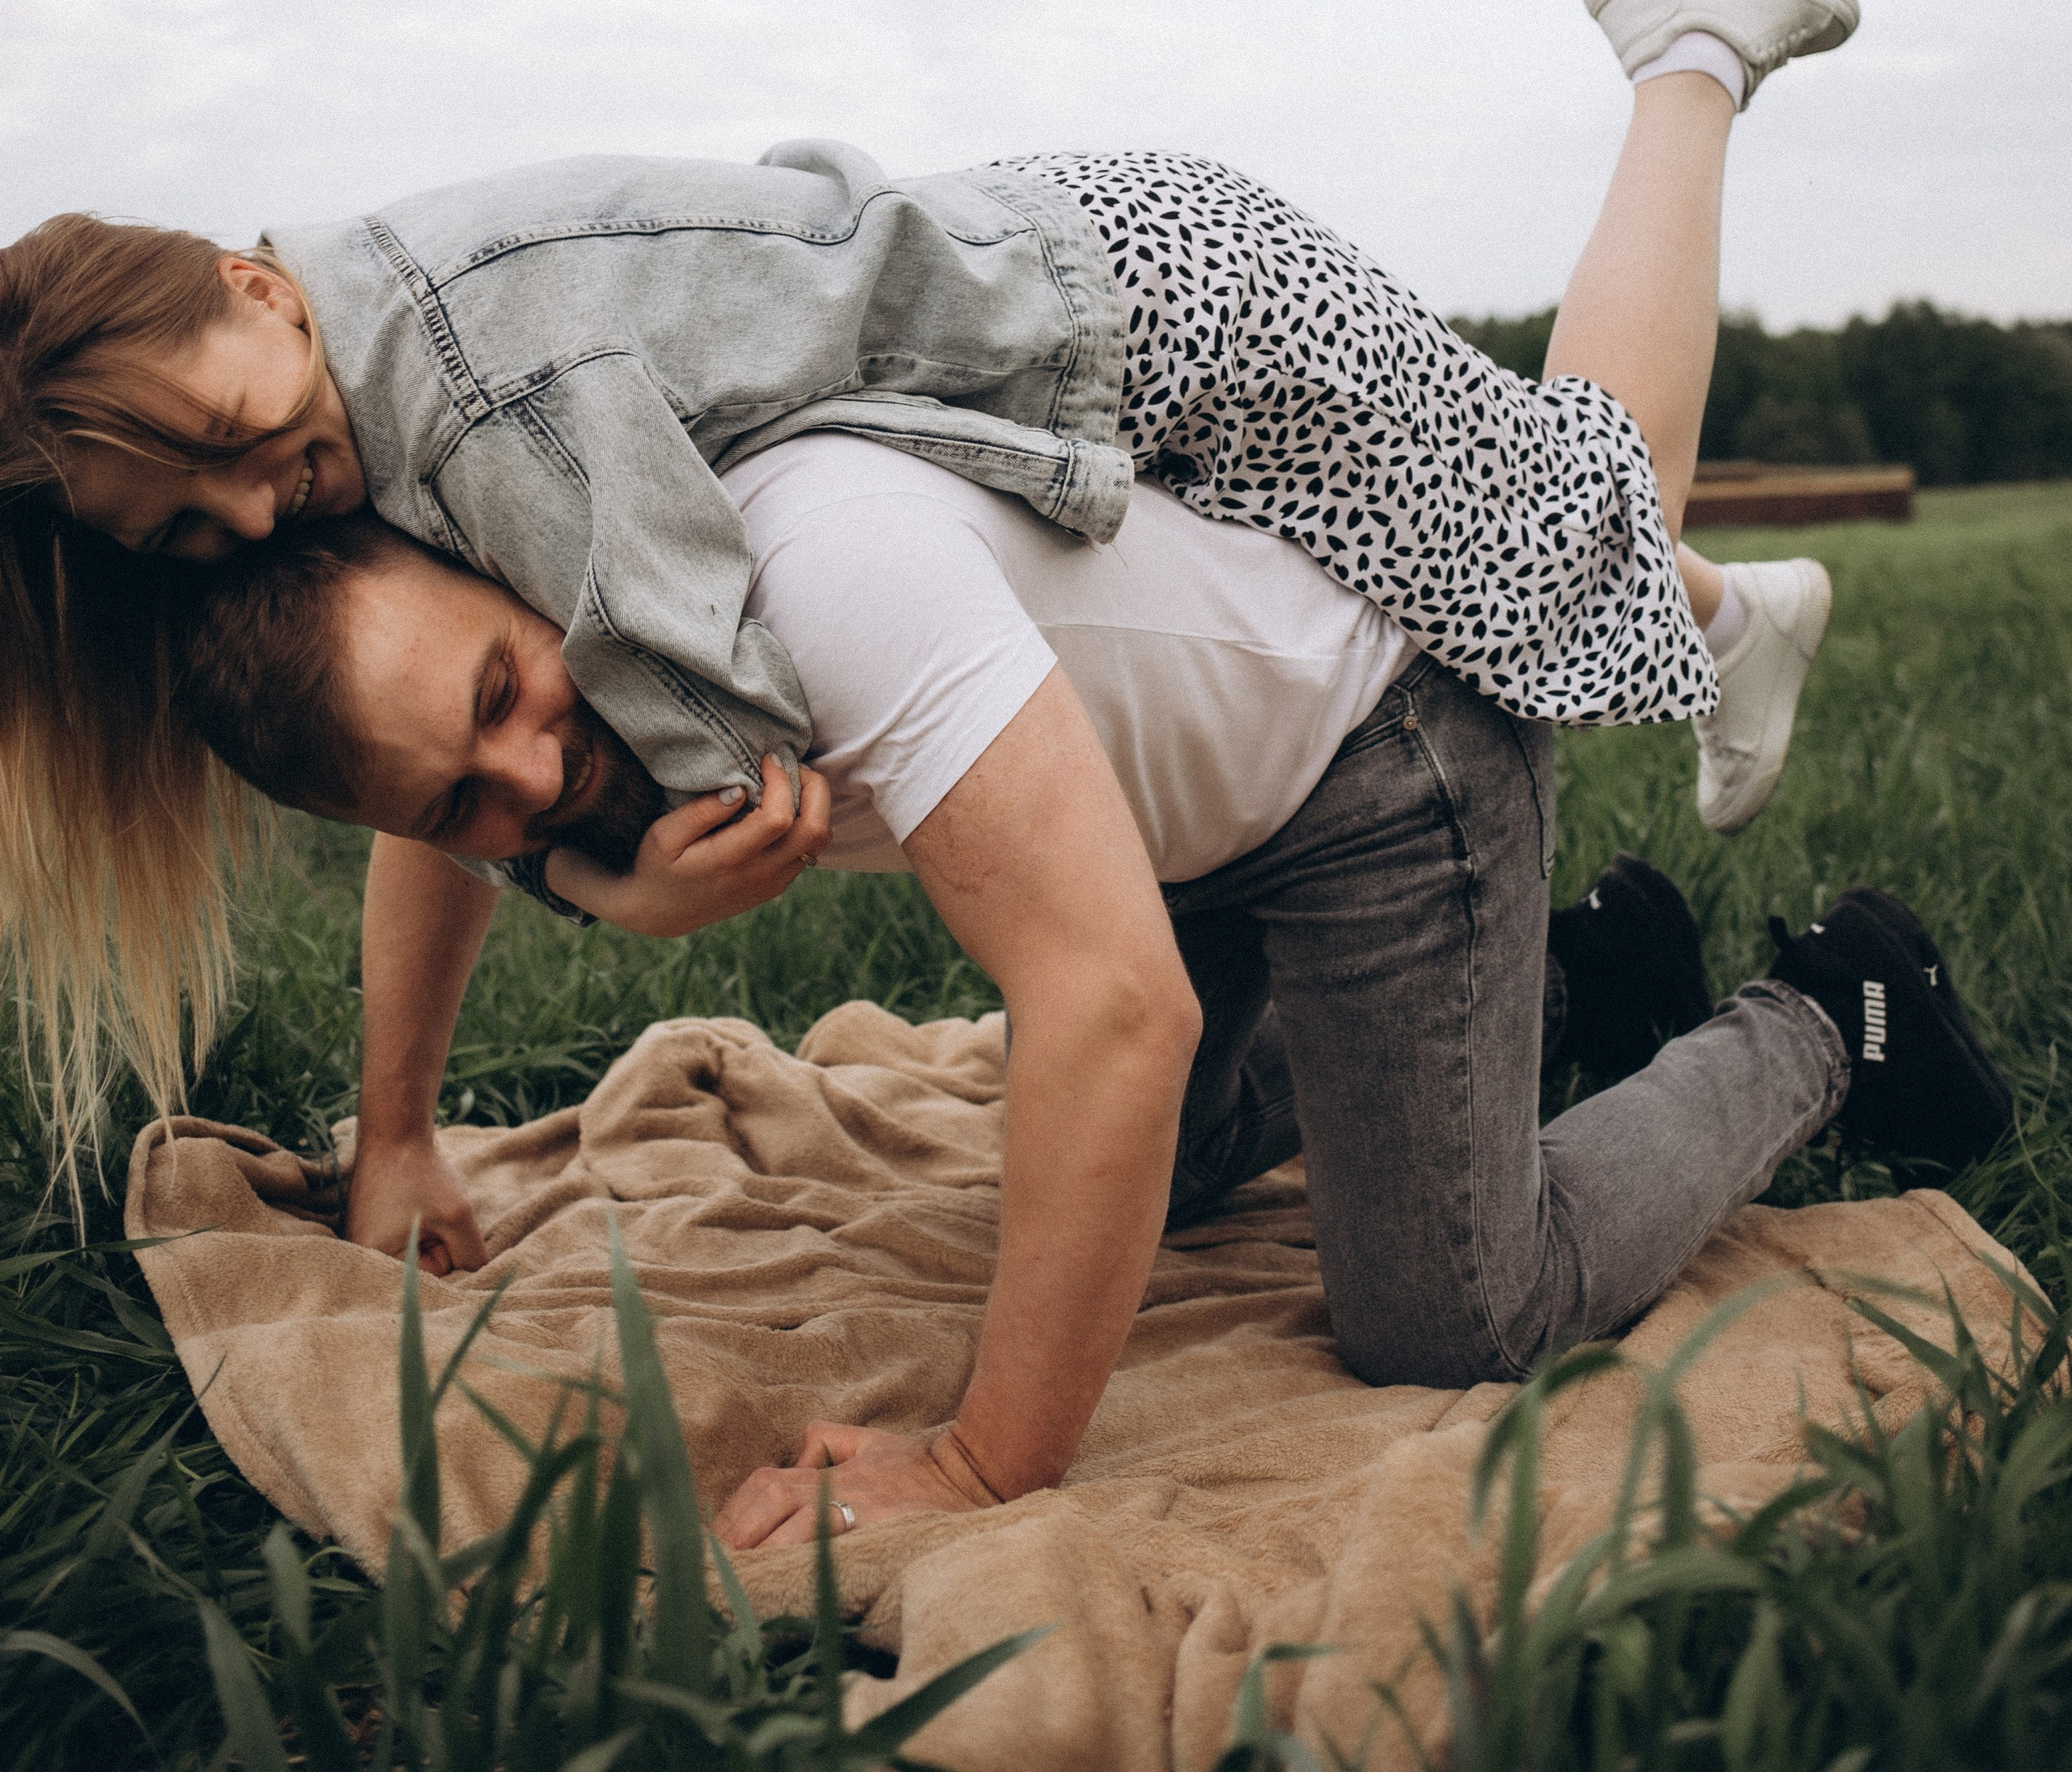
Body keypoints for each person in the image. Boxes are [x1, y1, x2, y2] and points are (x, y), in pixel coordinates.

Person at [3, 0, 1847, 1188]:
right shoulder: (368, 368)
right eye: (184, 529)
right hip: (1054, 291)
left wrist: (622, 889)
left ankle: (1686, 57)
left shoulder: (477, 396)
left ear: (250, 282)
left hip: (1152, 302)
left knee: (1570, 511)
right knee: (1519, 550)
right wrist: (394, 1127)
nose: (254, 511)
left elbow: (711, 717)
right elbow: (447, 753)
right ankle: (1711, 639)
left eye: (235, 441)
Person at [168, 453, 2010, 1553]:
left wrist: (980, 1464)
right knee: (1152, 1172)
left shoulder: (793, 569)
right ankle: (1567, 973)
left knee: (1448, 1311)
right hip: (1171, 830)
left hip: (1381, 756)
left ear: (504, 550)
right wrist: (395, 1132)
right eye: (455, 785)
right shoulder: (528, 656)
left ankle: (1824, 1009)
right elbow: (439, 815)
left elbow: (1113, 1017)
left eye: (505, 694)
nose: (530, 781)